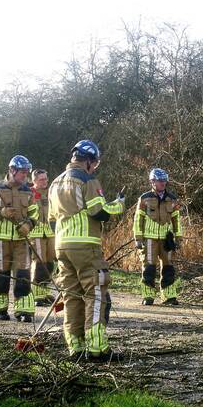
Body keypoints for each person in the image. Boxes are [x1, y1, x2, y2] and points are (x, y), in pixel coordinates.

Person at [48, 139, 126, 361]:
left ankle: (76, 347)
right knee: (96, 292)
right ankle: (97, 348)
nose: (95, 167)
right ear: (89, 161)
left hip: (61, 245)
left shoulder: (55, 183)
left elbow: (52, 219)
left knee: (71, 295)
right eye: (95, 163)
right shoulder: (87, 179)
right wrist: (119, 204)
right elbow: (98, 211)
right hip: (85, 245)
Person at [0, 155, 41, 322]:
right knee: (2, 274)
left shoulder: (28, 192)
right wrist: (0, 212)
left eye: (27, 172)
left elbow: (35, 213)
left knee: (23, 273)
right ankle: (1, 309)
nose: (25, 175)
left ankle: (24, 311)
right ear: (12, 170)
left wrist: (29, 224)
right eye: (22, 172)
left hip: (21, 240)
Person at [133, 167, 184, 305]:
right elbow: (138, 219)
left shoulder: (172, 199)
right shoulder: (144, 198)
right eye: (160, 180)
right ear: (152, 182)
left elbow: (176, 220)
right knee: (149, 267)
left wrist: (178, 238)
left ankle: (169, 296)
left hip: (167, 240)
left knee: (168, 267)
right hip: (149, 239)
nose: (163, 183)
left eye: (164, 180)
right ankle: (148, 296)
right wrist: (138, 238)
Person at [29, 169, 56, 305]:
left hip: (50, 233)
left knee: (50, 264)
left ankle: (45, 292)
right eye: (41, 179)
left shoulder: (51, 192)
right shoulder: (29, 193)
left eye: (46, 179)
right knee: (40, 264)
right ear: (34, 180)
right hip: (36, 233)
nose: (45, 182)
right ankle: (37, 295)